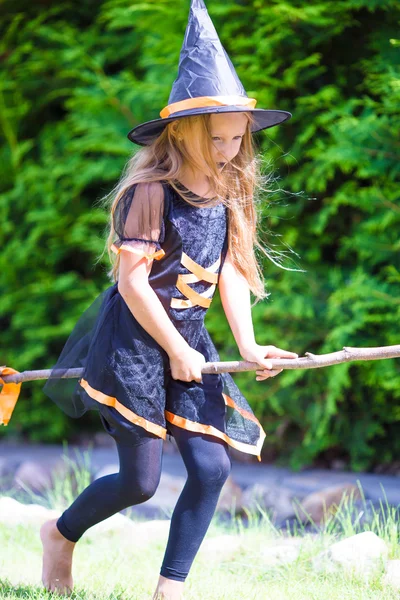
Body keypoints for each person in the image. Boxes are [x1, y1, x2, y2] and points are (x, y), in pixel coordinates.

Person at [39, 1, 298, 598]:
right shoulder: (151, 193)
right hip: (137, 341)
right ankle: (60, 533)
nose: (232, 149)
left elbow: (230, 270)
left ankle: (169, 591)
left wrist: (249, 344)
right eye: (218, 138)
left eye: (240, 137)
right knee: (140, 483)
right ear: (183, 133)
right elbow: (133, 284)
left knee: (211, 469)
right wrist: (176, 348)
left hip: (189, 339)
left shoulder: (231, 191)